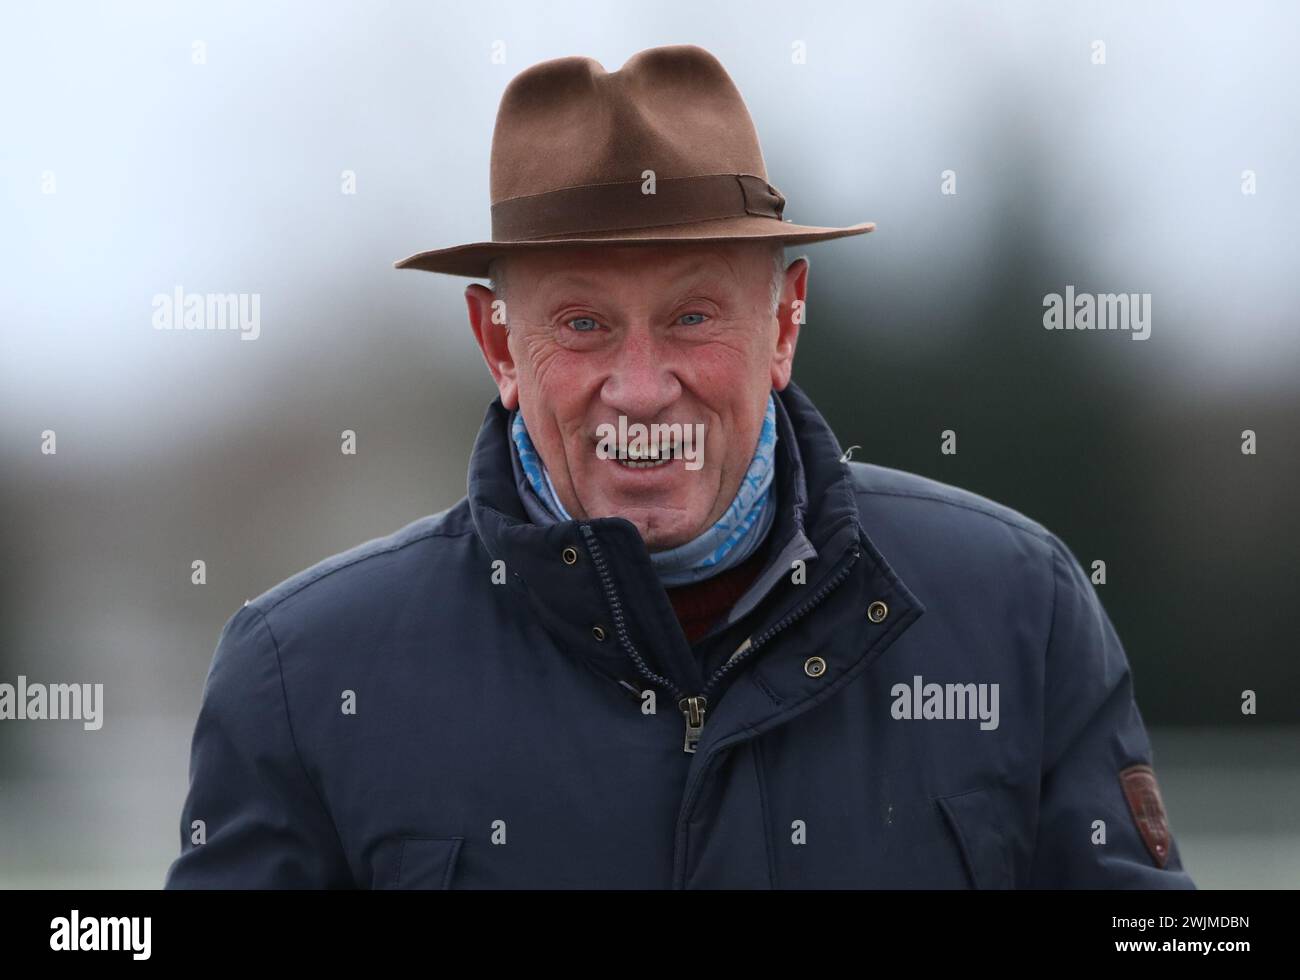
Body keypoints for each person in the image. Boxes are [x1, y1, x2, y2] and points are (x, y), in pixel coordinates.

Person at [165, 44, 1193, 889]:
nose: (642, 384)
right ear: (497, 344)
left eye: (692, 315)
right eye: (582, 323)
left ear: (784, 320)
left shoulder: (1017, 610)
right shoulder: (304, 675)